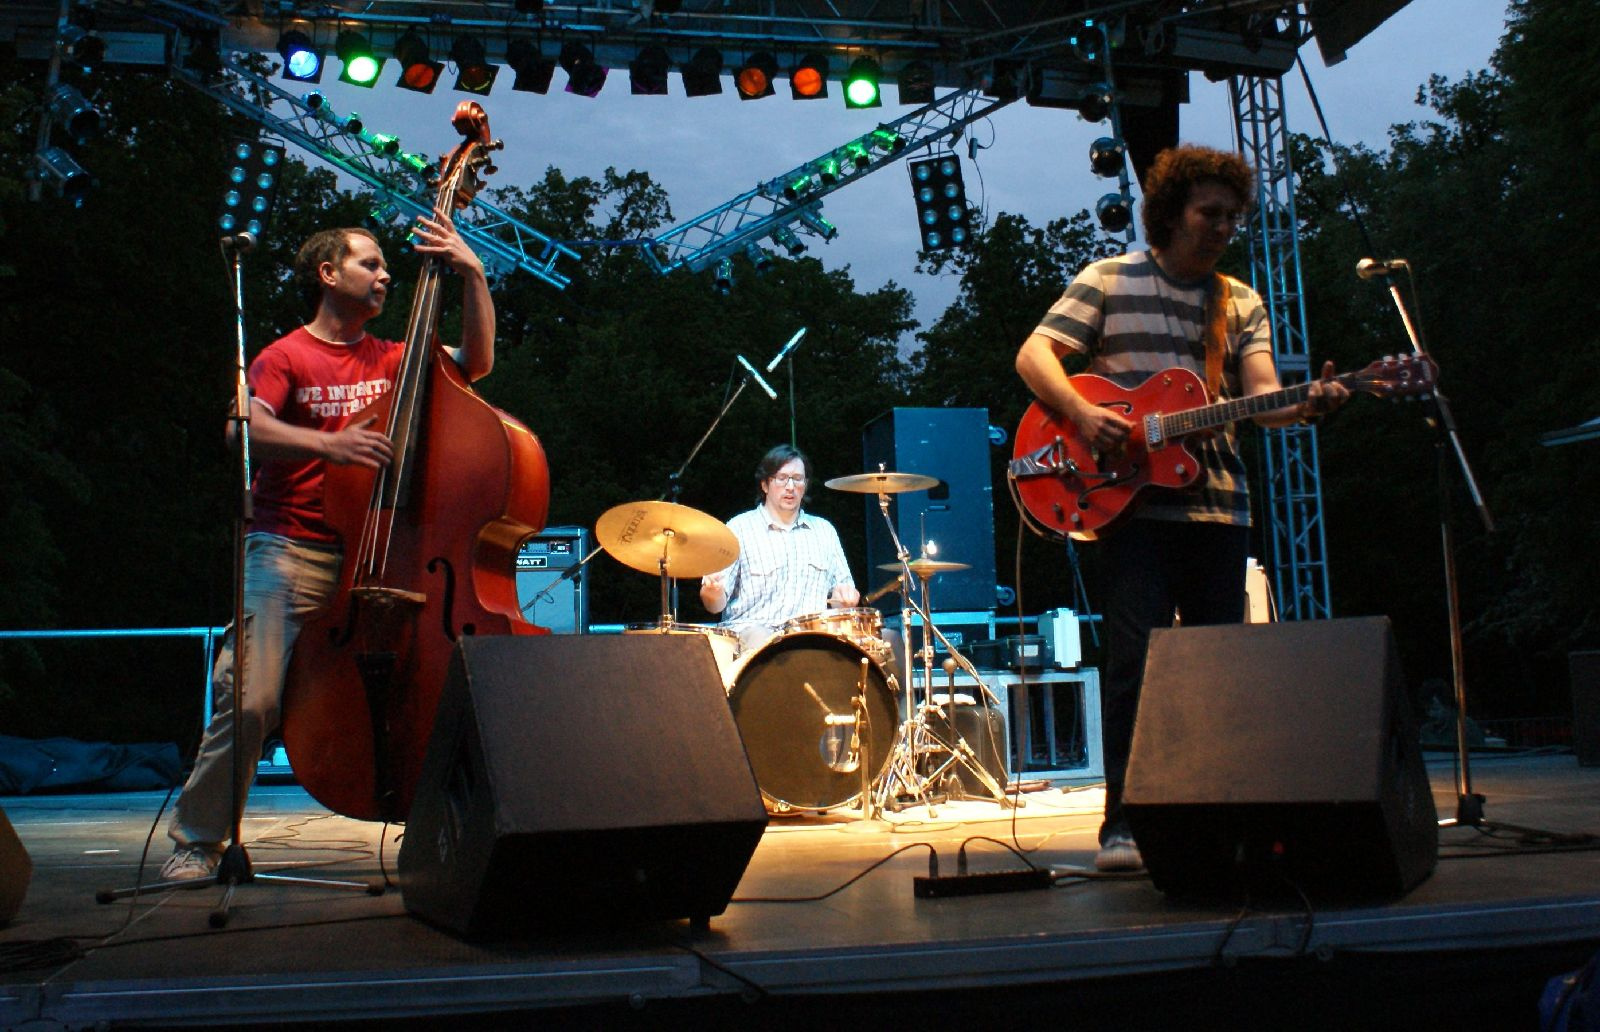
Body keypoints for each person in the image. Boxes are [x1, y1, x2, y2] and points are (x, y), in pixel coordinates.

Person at [1014, 144, 1349, 873]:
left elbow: (1262, 401)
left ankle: (1214, 816)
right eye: (1209, 213)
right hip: (1130, 508)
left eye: (1234, 216)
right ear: (1171, 213)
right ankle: (1123, 827)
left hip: (1221, 508)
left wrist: (1305, 405)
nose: (1224, 227)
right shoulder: (1108, 279)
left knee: (1216, 672)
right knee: (1133, 664)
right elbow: (1035, 356)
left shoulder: (1243, 302)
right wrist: (1081, 410)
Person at [161, 213, 495, 882]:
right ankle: (199, 839)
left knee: (428, 687)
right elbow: (242, 427)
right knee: (252, 699)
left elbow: (476, 364)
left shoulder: (394, 357)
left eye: (384, 266)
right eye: (370, 264)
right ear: (328, 273)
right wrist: (328, 444)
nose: (384, 274)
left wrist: (473, 272)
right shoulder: (284, 356)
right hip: (287, 551)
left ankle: (431, 821)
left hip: (377, 557)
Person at [700, 445, 860, 655]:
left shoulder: (824, 531)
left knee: (885, 640)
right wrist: (711, 592)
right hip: (752, 637)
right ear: (765, 484)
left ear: (806, 485)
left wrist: (846, 599)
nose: (790, 486)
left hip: (811, 638)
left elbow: (844, 602)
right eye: (782, 478)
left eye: (797, 478)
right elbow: (714, 606)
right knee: (763, 639)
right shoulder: (739, 528)